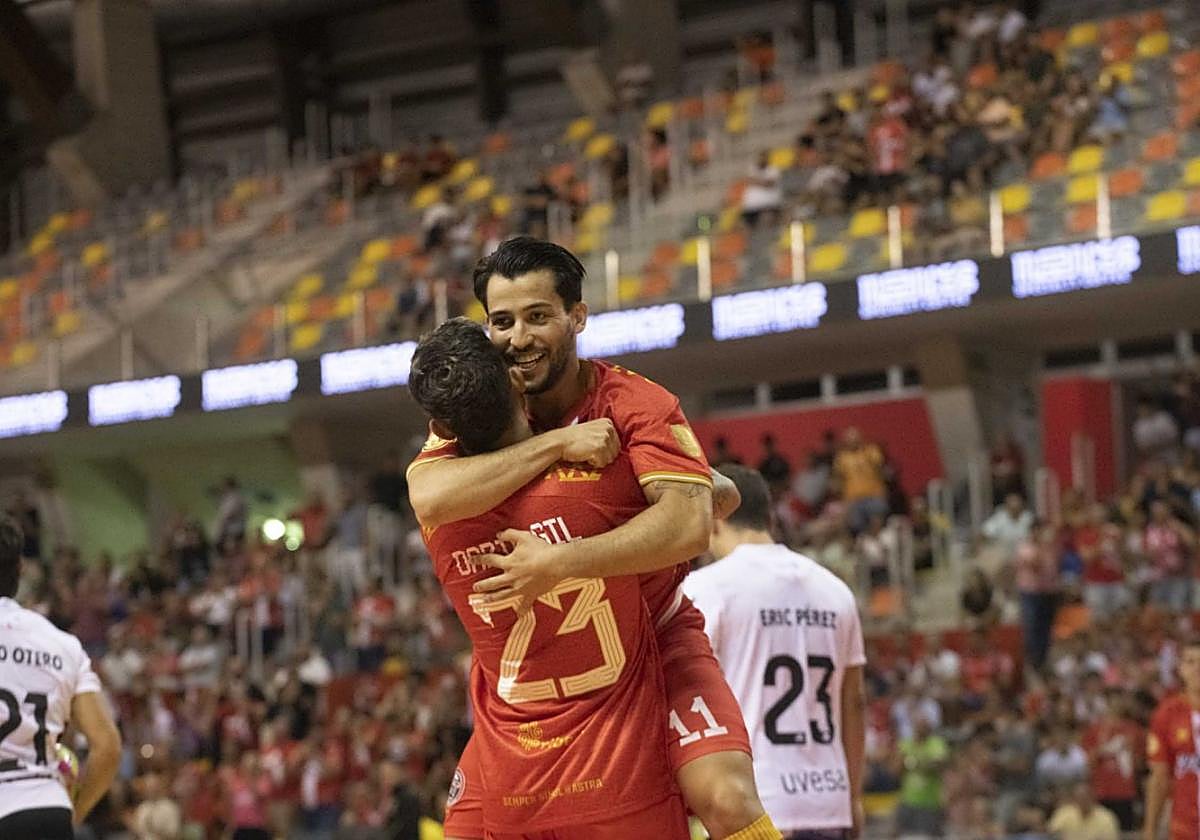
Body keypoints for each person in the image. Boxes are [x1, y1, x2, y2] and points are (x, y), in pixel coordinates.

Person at [405, 238, 780, 840]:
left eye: (538, 317)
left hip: (654, 637)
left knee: (727, 796)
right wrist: (554, 444)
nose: (519, 338)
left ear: (576, 316)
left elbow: (689, 526)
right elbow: (427, 495)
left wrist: (560, 562)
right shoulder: (481, 406)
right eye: (502, 321)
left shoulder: (635, 403)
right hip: (534, 675)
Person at [410, 318, 691, 839]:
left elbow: (426, 488)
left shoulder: (440, 520)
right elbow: (691, 516)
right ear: (515, 381)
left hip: (514, 776)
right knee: (727, 796)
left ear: (443, 431)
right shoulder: (603, 483)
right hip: (619, 770)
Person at [683, 465, 866, 839]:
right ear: (769, 518)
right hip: (827, 802)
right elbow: (855, 702)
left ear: (714, 519)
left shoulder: (705, 589)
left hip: (750, 806)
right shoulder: (836, 591)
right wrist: (854, 798)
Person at [0, 515, 121, 837]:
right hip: (46, 809)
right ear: (19, 571)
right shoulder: (62, 643)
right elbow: (107, 748)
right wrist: (73, 814)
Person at [1146, 636, 1200, 840]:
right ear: (1180, 668)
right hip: (1184, 830)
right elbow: (1159, 779)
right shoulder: (1167, 714)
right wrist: (1150, 832)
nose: (1197, 669)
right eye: (1190, 662)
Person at [1048, 783, 1120, 840]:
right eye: (1080, 798)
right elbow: (1051, 833)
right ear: (1074, 799)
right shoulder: (1064, 813)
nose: (1083, 801)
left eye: (1086, 797)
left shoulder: (1106, 817)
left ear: (1093, 798)